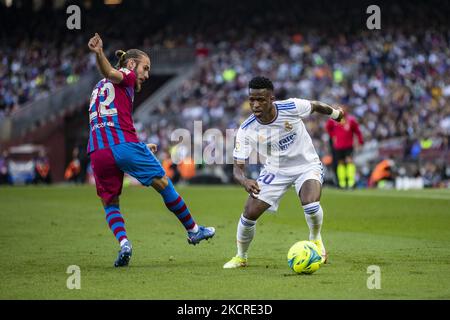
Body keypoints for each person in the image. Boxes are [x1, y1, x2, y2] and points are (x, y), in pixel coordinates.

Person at [87, 33, 215, 267]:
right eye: (145, 68)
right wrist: (99, 54)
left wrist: (139, 146)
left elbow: (109, 120)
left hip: (98, 151)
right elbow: (110, 72)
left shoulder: (98, 89)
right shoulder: (126, 74)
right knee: (163, 184)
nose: (146, 75)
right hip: (123, 145)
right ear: (132, 64)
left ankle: (124, 243)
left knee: (110, 202)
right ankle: (193, 230)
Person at [223, 76, 344, 269]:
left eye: (261, 99)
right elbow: (237, 167)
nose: (255, 104)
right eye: (251, 99)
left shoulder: (291, 107)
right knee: (249, 213)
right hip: (276, 170)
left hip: (306, 164)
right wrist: (245, 181)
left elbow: (316, 106)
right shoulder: (246, 129)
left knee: (310, 203)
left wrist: (336, 114)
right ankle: (241, 257)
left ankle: (315, 240)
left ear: (271, 98)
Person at [325, 105, 364, 189]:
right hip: (338, 145)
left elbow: (357, 131)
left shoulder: (351, 120)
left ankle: (351, 182)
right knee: (341, 163)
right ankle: (342, 183)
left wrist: (360, 141)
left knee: (349, 161)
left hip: (349, 145)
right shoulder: (333, 120)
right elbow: (328, 128)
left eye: (343, 109)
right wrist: (333, 136)